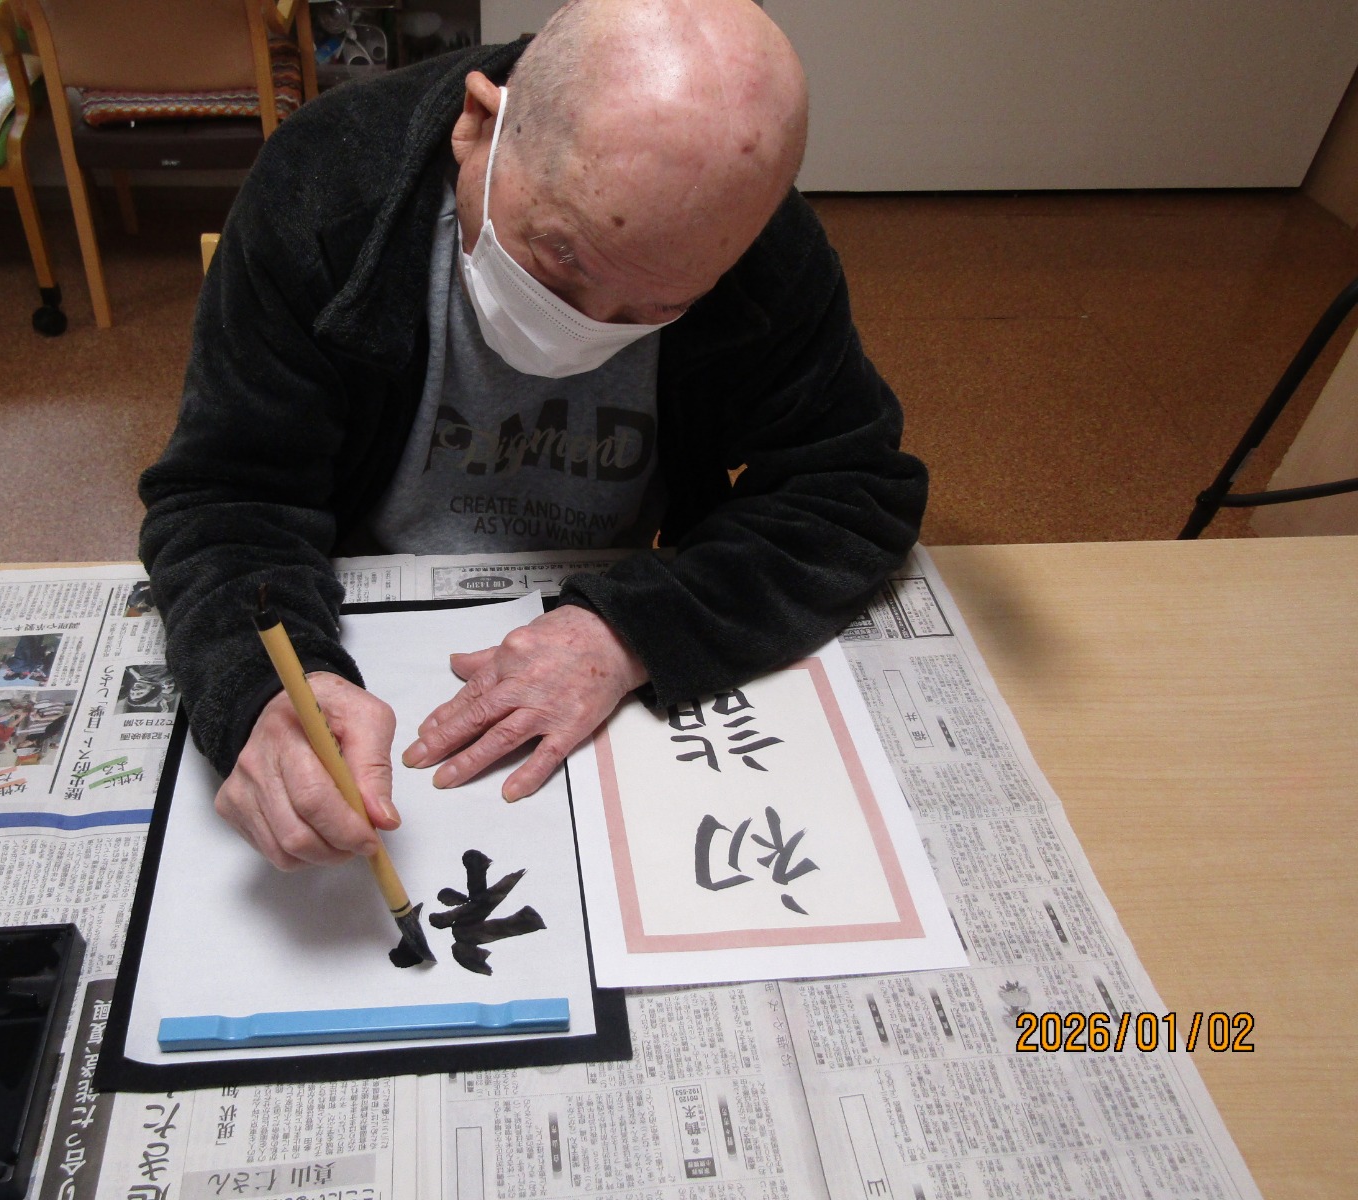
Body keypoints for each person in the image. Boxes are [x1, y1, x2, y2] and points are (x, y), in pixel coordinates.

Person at [139, 0, 927, 873]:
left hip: (605, 601)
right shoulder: (324, 181)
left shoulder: (755, 245)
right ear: (479, 123)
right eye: (561, 259)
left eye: (657, 306)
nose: (582, 331)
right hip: (356, 607)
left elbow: (852, 486)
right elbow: (229, 496)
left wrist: (631, 632)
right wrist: (256, 688)